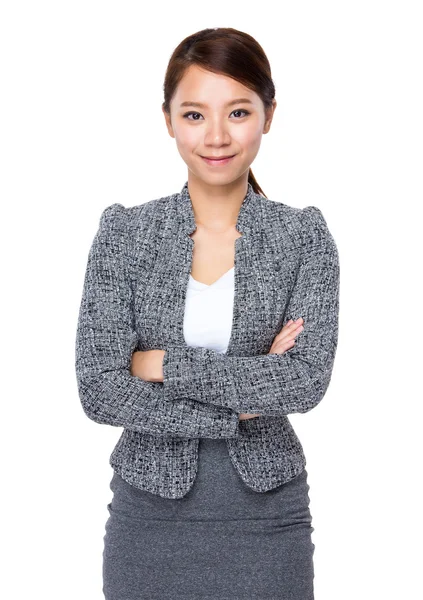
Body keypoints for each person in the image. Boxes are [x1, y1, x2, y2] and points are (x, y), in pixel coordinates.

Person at [75, 27, 340, 600]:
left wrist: (162, 364)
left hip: (269, 519)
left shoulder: (302, 237)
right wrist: (240, 406)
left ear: (268, 115)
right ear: (168, 119)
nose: (217, 136)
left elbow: (304, 382)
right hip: (148, 519)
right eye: (194, 115)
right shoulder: (127, 233)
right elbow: (99, 389)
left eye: (238, 112)